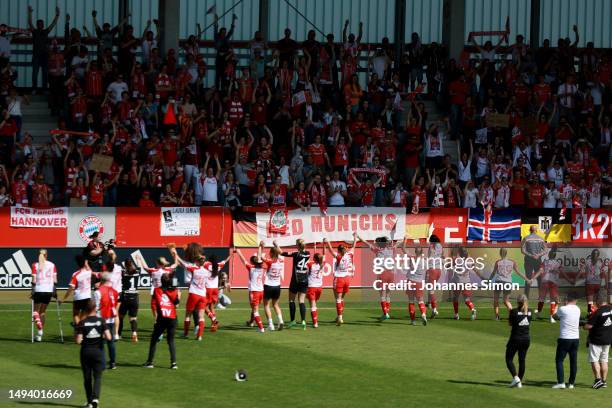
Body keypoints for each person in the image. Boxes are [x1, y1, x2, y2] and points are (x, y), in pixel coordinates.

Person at [76, 299, 112, 408]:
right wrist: (100, 336)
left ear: (86, 309)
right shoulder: (101, 321)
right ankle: (95, 399)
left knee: (87, 378)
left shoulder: (82, 322)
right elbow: (109, 337)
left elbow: (78, 341)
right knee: (97, 377)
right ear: (95, 308)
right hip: (98, 352)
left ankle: (89, 402)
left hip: (86, 352)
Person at [359, 235, 401, 320]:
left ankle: (385, 313)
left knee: (382, 294)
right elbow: (399, 243)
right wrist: (404, 238)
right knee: (388, 294)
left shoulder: (377, 250)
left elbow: (366, 243)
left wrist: (358, 236)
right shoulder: (391, 249)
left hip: (382, 273)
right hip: (391, 273)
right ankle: (386, 313)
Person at [143, 274, 179, 369]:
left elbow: (154, 304)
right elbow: (177, 305)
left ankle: (150, 362)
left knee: (154, 340)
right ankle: (173, 363)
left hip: (162, 318)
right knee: (171, 341)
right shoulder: (174, 291)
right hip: (172, 318)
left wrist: (156, 317)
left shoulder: (156, 290)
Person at [323, 232, 357, 326]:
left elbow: (330, 250)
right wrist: (355, 238)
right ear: (345, 249)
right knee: (341, 298)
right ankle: (339, 316)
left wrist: (327, 242)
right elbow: (354, 246)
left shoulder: (338, 256)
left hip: (339, 278)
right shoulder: (349, 254)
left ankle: (340, 317)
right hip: (347, 278)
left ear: (338, 250)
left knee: (337, 299)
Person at [531, 247, 572, 322]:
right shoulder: (557, 263)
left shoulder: (545, 262)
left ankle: (539, 313)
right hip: (553, 283)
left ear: (549, 255)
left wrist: (533, 278)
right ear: (555, 256)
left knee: (541, 299)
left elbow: (540, 271)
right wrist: (569, 280)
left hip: (545, 282)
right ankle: (552, 317)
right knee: (553, 300)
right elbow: (563, 273)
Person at [552, 293, 581, 389]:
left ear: (567, 300)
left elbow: (555, 317)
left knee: (559, 360)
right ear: (574, 301)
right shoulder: (577, 309)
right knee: (573, 361)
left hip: (565, 338)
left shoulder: (563, 309)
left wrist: (556, 304)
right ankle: (571, 383)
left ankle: (561, 382)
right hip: (575, 339)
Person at [61, 255, 98, 328]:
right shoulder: (89, 272)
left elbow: (71, 288)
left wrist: (64, 299)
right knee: (84, 316)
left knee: (75, 315)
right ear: (85, 263)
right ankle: (81, 330)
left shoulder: (76, 274)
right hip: (87, 297)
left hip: (78, 297)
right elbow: (92, 272)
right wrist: (86, 263)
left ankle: (78, 330)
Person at [489, 248, 527, 320]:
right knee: (506, 301)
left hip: (499, 281)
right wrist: (526, 279)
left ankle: (497, 316)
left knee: (496, 300)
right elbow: (518, 272)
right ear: (506, 253)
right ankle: (514, 315)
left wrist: (489, 280)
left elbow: (493, 273)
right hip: (508, 282)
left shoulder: (498, 262)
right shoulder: (512, 262)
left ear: (500, 253)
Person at [281, 238, 311, 329]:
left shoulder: (296, 254)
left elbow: (282, 253)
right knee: (301, 301)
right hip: (304, 280)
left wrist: (276, 246)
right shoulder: (308, 254)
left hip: (295, 280)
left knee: (291, 300)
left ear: (297, 246)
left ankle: (293, 320)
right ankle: (303, 321)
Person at [584, 293, 612, 389]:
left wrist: (584, 325)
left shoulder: (598, 312)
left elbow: (589, 326)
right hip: (608, 339)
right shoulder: (611, 309)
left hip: (596, 340)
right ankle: (604, 381)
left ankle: (598, 380)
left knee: (594, 360)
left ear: (599, 301)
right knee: (604, 360)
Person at [235, 248, 265, 333]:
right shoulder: (261, 268)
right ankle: (251, 322)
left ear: (252, 262)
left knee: (255, 310)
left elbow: (243, 260)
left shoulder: (251, 268)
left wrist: (239, 252)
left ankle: (261, 328)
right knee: (255, 308)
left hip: (254, 292)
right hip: (261, 291)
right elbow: (259, 260)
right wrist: (261, 248)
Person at [506, 294, 532, 388]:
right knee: (522, 360)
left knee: (508, 359)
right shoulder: (530, 311)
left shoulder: (514, 311)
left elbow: (510, 323)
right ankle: (519, 382)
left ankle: (516, 378)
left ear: (517, 301)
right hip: (526, 339)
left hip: (515, 338)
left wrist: (510, 311)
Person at [30, 249, 57, 342]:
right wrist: (55, 292)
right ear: (46, 255)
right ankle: (39, 335)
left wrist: (32, 292)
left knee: (35, 312)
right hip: (49, 291)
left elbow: (33, 281)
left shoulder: (35, 265)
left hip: (39, 290)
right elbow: (55, 280)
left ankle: (40, 329)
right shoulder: (52, 264)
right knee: (42, 312)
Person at [94, 273, 118, 370]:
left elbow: (95, 307)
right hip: (111, 319)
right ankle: (112, 363)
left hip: (101, 319)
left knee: (101, 342)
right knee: (111, 342)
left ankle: (102, 363)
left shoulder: (98, 292)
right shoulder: (115, 291)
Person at [259, 240, 285, 331]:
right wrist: (276, 244)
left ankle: (271, 324)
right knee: (276, 304)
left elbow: (260, 257)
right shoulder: (281, 260)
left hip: (269, 285)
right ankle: (280, 321)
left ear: (271, 253)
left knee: (266, 305)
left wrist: (261, 247)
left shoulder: (270, 261)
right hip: (277, 286)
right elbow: (281, 252)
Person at [203, 253, 232, 333]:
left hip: (208, 288)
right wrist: (232, 254)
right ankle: (214, 324)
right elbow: (226, 260)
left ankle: (214, 319)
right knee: (212, 307)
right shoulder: (218, 265)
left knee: (204, 307)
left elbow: (200, 262)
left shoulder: (206, 264)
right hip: (215, 289)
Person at [404, 245, 428, 326]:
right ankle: (423, 315)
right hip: (419, 282)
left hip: (411, 281)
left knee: (411, 301)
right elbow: (427, 271)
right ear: (422, 252)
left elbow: (403, 249)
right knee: (420, 300)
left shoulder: (412, 258)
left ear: (415, 251)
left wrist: (405, 240)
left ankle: (413, 321)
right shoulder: (424, 261)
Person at [117, 257, 140, 342]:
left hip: (125, 296)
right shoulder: (137, 271)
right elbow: (137, 267)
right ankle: (134, 334)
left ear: (126, 265)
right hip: (135, 297)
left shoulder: (123, 273)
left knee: (121, 317)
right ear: (132, 264)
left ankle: (119, 334)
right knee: (133, 318)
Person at [521, 225, 546, 298]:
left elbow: (522, 250)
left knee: (528, 277)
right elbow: (545, 250)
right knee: (539, 278)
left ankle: (526, 296)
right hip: (538, 260)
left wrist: (530, 255)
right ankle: (541, 296)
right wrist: (538, 255)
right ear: (536, 230)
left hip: (529, 260)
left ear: (529, 230)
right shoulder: (541, 239)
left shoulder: (526, 238)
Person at [306, 244, 326, 328]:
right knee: (314, 304)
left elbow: (306, 262)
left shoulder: (310, 264)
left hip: (311, 287)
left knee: (312, 305)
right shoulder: (322, 263)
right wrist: (324, 245)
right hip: (319, 287)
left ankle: (315, 322)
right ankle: (314, 320)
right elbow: (323, 255)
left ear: (314, 258)